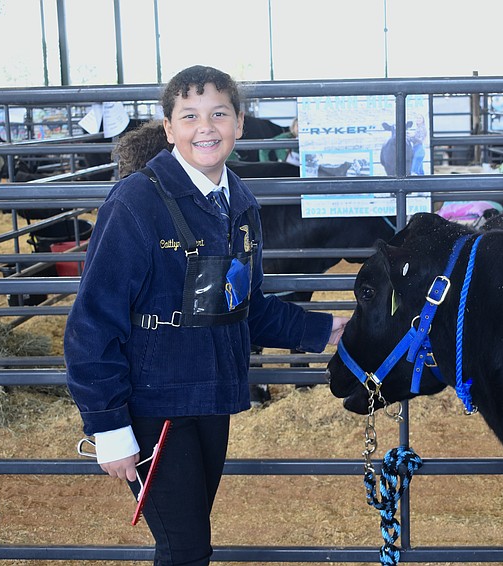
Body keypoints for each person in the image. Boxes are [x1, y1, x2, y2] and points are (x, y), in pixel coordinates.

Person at [64, 65, 347, 566]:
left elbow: (244, 305)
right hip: (154, 403)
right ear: (169, 128)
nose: (206, 127)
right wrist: (108, 427)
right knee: (185, 548)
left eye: (219, 113)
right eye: (190, 115)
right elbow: (92, 323)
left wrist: (324, 329)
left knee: (190, 542)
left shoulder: (239, 202)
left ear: (239, 121)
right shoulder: (135, 203)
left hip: (213, 395)